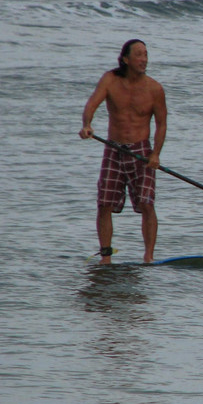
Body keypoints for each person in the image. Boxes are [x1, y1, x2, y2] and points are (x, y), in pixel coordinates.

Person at [79, 39, 167, 264]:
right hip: (114, 149)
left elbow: (161, 124)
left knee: (147, 203)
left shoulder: (155, 89)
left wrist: (155, 153)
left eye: (146, 54)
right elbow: (91, 105)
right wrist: (87, 124)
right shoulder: (110, 80)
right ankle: (106, 257)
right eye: (139, 54)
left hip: (142, 152)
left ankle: (148, 256)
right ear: (126, 59)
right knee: (104, 203)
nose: (144, 59)